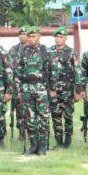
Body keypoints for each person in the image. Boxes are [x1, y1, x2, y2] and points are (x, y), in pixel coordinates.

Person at [14, 27, 53, 155]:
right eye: (29, 37)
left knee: (43, 117)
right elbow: (17, 71)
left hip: (41, 88)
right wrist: (18, 89)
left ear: (39, 37)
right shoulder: (23, 51)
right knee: (29, 117)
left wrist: (52, 89)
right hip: (26, 88)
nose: (31, 39)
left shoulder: (46, 51)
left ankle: (42, 145)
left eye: (33, 36)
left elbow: (53, 71)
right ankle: (33, 144)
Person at [48, 26, 82, 148]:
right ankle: (58, 142)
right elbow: (45, 72)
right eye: (56, 37)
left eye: (61, 37)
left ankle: (67, 142)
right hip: (53, 91)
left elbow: (78, 72)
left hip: (67, 91)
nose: (58, 39)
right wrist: (49, 89)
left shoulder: (71, 52)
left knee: (68, 116)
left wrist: (78, 91)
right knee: (55, 116)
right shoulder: (49, 52)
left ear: (66, 38)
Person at [8, 26, 29, 139]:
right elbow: (8, 66)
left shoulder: (32, 49)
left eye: (24, 34)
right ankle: (21, 132)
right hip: (15, 85)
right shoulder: (13, 49)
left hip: (28, 84)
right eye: (20, 34)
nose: (22, 36)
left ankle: (31, 131)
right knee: (18, 109)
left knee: (29, 109)